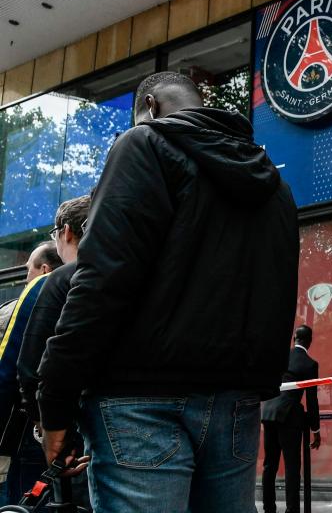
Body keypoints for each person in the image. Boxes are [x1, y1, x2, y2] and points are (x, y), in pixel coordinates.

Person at [36, 72, 300, 513]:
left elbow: (102, 281)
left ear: (152, 107)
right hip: (235, 403)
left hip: (139, 403)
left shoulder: (144, 146)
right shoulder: (274, 184)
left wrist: (55, 400)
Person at [12, 197, 90, 511]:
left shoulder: (52, 283)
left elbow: (26, 367)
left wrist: (46, 427)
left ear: (66, 232)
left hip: (68, 429)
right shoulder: (130, 275)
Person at [0, 241, 62, 506]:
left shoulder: (31, 296)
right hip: (73, 423)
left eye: (28, 270)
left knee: (22, 495)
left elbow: (10, 365)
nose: (26, 277)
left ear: (45, 269)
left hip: (28, 423)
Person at [260, 325, 321, 513]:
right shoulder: (310, 364)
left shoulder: (281, 357)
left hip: (268, 413)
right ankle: (292, 510)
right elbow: (311, 398)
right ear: (309, 341)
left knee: (269, 465)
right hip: (289, 419)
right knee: (292, 467)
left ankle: (268, 508)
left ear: (294, 338)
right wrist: (315, 429)